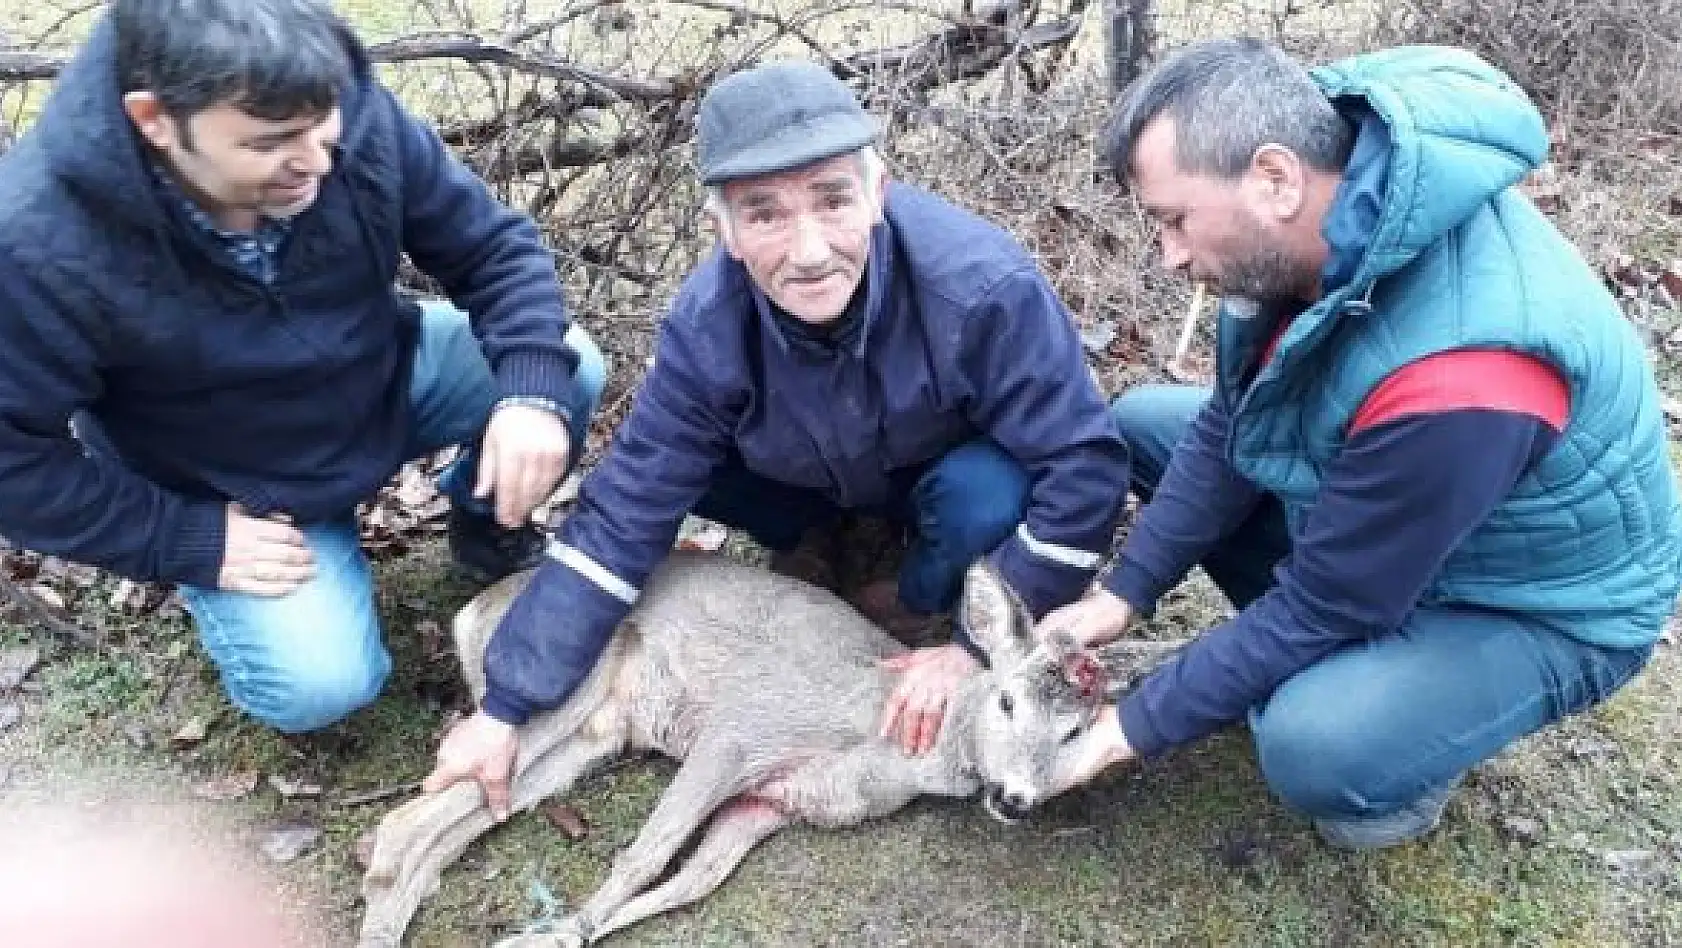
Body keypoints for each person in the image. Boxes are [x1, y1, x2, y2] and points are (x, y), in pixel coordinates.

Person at [423, 60, 1130, 818]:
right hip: (802, 479)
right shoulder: (705, 329)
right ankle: (817, 544)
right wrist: (506, 706)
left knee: (985, 494)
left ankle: (911, 591)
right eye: (764, 215)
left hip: (940, 479)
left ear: (878, 193)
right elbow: (623, 514)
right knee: (682, 463)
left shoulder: (984, 287)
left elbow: (1085, 469)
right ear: (722, 231)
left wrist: (966, 646)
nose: (809, 250)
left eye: (833, 202)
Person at [1043, 38, 1682, 849]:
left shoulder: (1467, 372)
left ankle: (1401, 761)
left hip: (1543, 600)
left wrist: (1118, 732)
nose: (1169, 256)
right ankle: (1352, 667)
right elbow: (1236, 420)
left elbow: (1326, 602)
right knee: (1146, 425)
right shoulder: (1312, 219)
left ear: (1273, 179)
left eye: (1175, 220)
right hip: (1417, 506)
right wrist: (1121, 593)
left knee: (1314, 744)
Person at [0, 0, 605, 734]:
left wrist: (530, 395)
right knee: (320, 687)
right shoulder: (36, 244)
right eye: (270, 144)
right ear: (154, 119)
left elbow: (492, 250)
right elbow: (13, 461)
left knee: (564, 369)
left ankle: (486, 526)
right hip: (232, 483)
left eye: (324, 126)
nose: (318, 160)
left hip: (380, 375)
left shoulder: (331, 99)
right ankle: (267, 581)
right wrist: (185, 537)